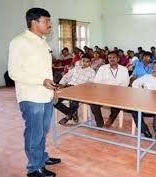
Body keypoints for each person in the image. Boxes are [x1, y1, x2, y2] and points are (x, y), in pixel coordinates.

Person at [8, 8, 60, 177]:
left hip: (46, 94)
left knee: (42, 131)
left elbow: (45, 71)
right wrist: (41, 82)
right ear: (34, 22)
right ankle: (33, 168)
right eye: (46, 21)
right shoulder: (20, 41)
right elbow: (14, 72)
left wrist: (53, 91)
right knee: (34, 132)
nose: (49, 25)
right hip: (31, 97)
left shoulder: (43, 41)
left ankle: (41, 158)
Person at [90, 51, 129, 128]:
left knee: (117, 105)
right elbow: (96, 82)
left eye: (114, 57)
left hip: (118, 93)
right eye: (109, 58)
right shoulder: (102, 68)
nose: (111, 59)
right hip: (103, 92)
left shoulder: (124, 69)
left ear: (118, 59)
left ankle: (110, 120)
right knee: (93, 105)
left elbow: (125, 83)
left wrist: (116, 91)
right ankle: (100, 124)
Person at [54, 55, 95, 125]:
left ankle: (67, 117)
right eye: (83, 61)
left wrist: (79, 88)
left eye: (87, 62)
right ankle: (71, 113)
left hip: (80, 89)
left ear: (90, 63)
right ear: (80, 61)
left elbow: (90, 85)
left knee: (74, 102)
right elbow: (66, 76)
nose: (85, 63)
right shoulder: (76, 68)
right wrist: (61, 84)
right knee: (54, 101)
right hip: (68, 87)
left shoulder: (91, 72)